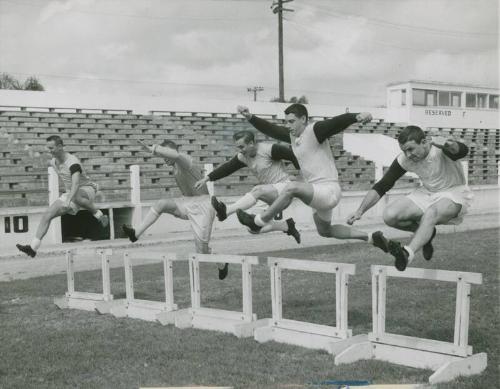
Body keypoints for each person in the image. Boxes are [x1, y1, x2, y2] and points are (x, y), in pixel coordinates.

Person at [235, 104, 384, 250]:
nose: (288, 125)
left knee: (291, 188)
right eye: (286, 122)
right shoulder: (293, 137)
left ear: (303, 119)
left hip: (328, 191)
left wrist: (356, 116)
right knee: (325, 231)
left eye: (292, 121)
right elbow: (271, 129)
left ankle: (259, 221)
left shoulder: (314, 130)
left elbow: (336, 123)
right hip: (316, 192)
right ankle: (370, 237)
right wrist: (250, 117)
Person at [347, 125, 472, 271]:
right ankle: (426, 234)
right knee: (389, 216)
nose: (408, 155)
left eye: (410, 149)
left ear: (424, 142)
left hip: (454, 193)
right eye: (404, 151)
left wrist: (449, 144)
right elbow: (383, 185)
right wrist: (360, 211)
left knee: (431, 213)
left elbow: (462, 151)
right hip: (427, 192)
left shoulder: (440, 149)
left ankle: (407, 253)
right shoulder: (405, 160)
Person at [121, 139, 226, 279]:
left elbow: (175, 155)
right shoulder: (174, 166)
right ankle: (136, 234)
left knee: (202, 253)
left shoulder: (185, 160)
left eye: (166, 155)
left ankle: (222, 264)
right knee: (161, 204)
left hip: (203, 206)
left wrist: (152, 149)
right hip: (186, 203)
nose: (164, 159)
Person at [194, 130, 301, 243]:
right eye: (238, 147)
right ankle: (286, 226)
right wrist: (207, 178)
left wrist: (302, 176)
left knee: (257, 189)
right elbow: (228, 168)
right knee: (252, 228)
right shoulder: (243, 156)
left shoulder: (269, 149)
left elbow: (293, 154)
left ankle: (227, 211)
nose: (240, 150)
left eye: (242, 147)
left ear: (251, 143)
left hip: (284, 189)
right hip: (268, 192)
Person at [16, 135, 108, 257]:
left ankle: (100, 215)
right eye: (48, 148)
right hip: (71, 193)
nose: (49, 151)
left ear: (60, 147)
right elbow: (67, 182)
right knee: (47, 214)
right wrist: (66, 198)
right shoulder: (54, 162)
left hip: (87, 189)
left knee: (75, 196)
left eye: (52, 148)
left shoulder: (73, 162)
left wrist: (68, 200)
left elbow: (75, 184)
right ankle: (33, 248)